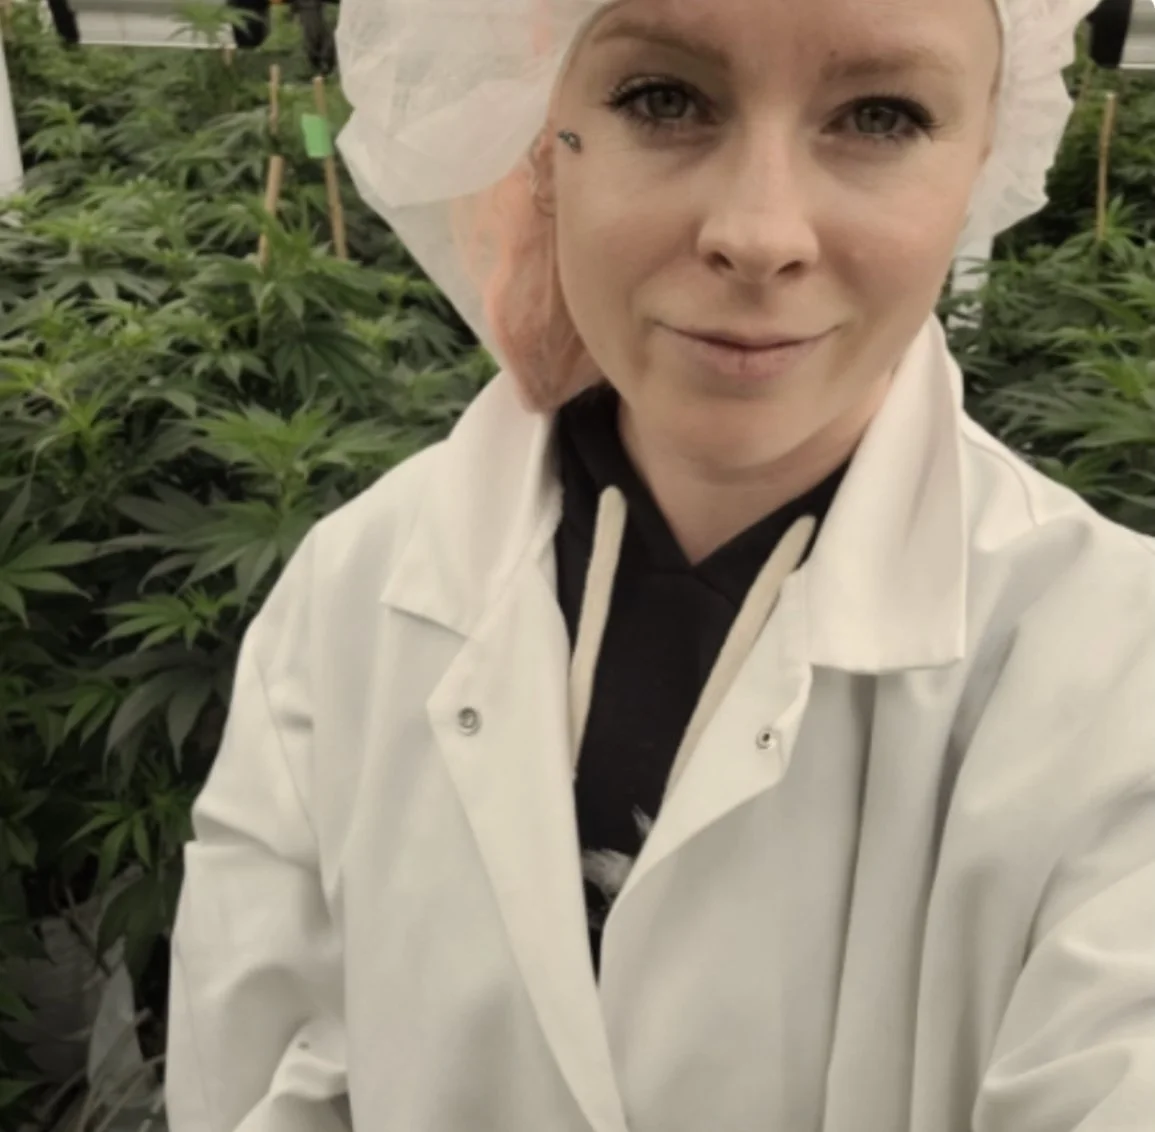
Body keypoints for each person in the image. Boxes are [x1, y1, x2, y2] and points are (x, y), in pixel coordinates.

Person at [164, 1, 1155, 1129]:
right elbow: (255, 1078)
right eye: (663, 99)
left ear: (983, 152)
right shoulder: (349, 596)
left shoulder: (1121, 675)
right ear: (539, 140)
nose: (760, 232)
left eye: (881, 116)